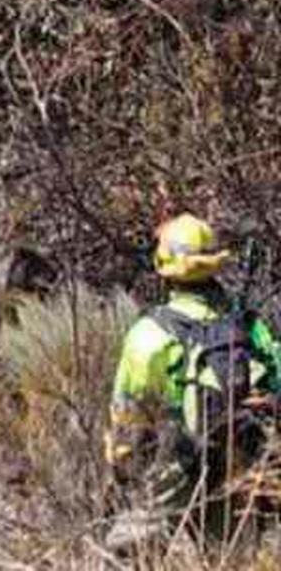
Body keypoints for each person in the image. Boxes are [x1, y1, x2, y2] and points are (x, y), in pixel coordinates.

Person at [104, 213, 281, 553]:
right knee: (233, 556)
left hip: (176, 466)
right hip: (239, 463)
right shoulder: (248, 326)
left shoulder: (149, 335)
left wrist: (121, 468)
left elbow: (129, 419)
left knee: (126, 550)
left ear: (164, 267)